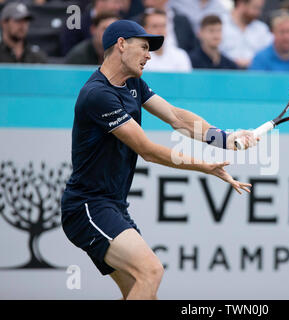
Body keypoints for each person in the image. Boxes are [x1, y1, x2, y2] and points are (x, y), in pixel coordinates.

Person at [60, 19, 257, 300]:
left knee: (142, 292)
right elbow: (147, 150)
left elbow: (178, 118)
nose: (149, 55)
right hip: (87, 207)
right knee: (151, 271)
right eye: (143, 47)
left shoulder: (134, 84)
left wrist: (224, 139)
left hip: (114, 206)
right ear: (121, 45)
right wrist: (204, 165)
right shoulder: (97, 95)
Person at [220, 0, 272, 69]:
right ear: (241, 4)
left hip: (255, 73)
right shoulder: (220, 24)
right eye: (255, 8)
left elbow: (270, 53)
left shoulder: (262, 29)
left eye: (259, 9)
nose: (258, 13)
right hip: (224, 71)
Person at [130, 0, 197, 53]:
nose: (160, 30)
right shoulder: (134, 23)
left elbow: (192, 47)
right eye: (155, 26)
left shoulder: (182, 21)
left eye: (163, 26)